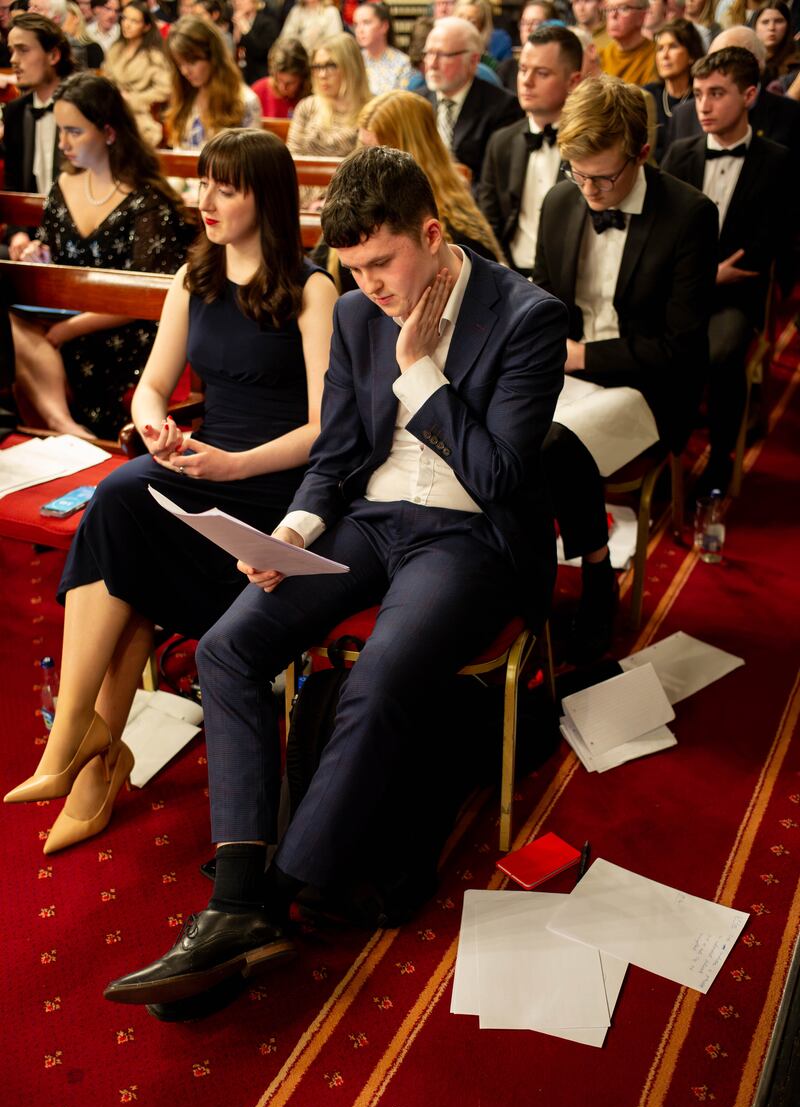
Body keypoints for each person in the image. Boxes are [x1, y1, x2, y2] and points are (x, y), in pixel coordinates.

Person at [101, 144, 568, 1008]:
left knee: (383, 673)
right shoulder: (354, 314)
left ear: (432, 234)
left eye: (384, 264)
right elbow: (342, 449)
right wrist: (292, 528)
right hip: (366, 520)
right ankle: (240, 892)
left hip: (468, 537)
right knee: (230, 645)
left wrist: (421, 371)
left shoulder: (525, 316)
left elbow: (501, 478)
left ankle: (268, 905)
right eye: (355, 270)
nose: (373, 287)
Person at [4, 128, 337, 859]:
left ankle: (84, 747)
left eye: (225, 187)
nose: (204, 200)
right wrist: (154, 426)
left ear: (266, 198)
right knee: (124, 498)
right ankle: (86, 749)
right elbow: (154, 385)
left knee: (123, 511)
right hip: (200, 472)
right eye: (203, 183)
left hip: (272, 497)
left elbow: (325, 428)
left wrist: (235, 465)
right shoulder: (197, 276)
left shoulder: (314, 289)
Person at [532, 73, 717, 662]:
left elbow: (682, 348)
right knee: (501, 426)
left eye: (602, 176)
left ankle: (594, 576)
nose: (587, 188)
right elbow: (545, 298)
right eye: (577, 173)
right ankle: (523, 576)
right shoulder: (563, 199)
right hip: (569, 374)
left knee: (552, 445)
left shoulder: (689, 215)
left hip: (646, 384)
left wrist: (582, 356)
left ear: (641, 153)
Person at [9, 73, 191, 439]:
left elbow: (146, 296)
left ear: (109, 132)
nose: (63, 144)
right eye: (60, 131)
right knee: (9, 323)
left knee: (39, 345)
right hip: (66, 320)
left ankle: (62, 430)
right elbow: (52, 250)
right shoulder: (62, 185)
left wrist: (68, 328)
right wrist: (35, 252)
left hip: (125, 334)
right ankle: (63, 426)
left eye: (74, 132)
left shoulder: (146, 199)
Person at [661, 47, 792, 493]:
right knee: (643, 339)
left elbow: (769, 241)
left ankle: (720, 454)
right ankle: (660, 448)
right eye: (698, 94)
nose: (704, 105)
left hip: (737, 295)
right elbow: (662, 233)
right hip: (680, 288)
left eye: (717, 94)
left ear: (750, 95)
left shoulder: (778, 162)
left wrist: (711, 277)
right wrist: (700, 275)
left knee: (720, 352)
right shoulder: (680, 153)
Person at [479, 24, 583, 275]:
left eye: (542, 73)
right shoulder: (501, 141)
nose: (526, 81)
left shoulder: (587, 143)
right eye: (523, 69)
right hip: (511, 275)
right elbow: (488, 224)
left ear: (573, 81)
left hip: (571, 276)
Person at [358, 89, 505, 261]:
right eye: (362, 149)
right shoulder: (358, 200)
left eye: (378, 153)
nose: (365, 163)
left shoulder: (458, 231)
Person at [2, 13, 74, 265]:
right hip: (31, 234)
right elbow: (13, 184)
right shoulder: (15, 111)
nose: (13, 60)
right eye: (11, 51)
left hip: (77, 238)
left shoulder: (84, 106)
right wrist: (18, 233)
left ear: (53, 55)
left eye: (23, 50)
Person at [666, 24, 800, 154]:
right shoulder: (682, 116)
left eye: (725, 61)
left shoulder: (791, 114)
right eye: (711, 59)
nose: (712, 68)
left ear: (757, 63)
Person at [419, 16, 521, 185]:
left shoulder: (503, 107)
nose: (432, 63)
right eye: (428, 53)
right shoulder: (416, 101)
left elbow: (494, 182)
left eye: (442, 55)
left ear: (473, 60)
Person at [286, 33, 371, 210]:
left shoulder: (372, 111)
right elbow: (290, 164)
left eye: (331, 65)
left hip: (353, 207)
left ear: (351, 66)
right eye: (317, 66)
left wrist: (331, 202)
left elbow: (370, 173)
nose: (322, 74)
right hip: (302, 204)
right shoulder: (307, 107)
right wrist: (311, 203)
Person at [166, 16, 261, 150]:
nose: (184, 71)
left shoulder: (245, 100)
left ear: (213, 57)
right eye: (179, 64)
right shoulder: (185, 92)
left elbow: (250, 160)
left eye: (192, 62)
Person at [103, 1, 172, 145]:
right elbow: (105, 78)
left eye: (134, 21)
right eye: (125, 18)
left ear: (146, 26)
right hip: (111, 107)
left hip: (139, 112)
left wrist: (135, 99)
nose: (127, 24)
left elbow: (165, 89)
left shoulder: (153, 55)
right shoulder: (115, 49)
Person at [644, 17, 704, 158]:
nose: (664, 55)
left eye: (673, 47)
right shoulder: (647, 95)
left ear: (691, 55)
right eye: (660, 49)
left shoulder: (701, 97)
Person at [353, 2, 412, 95]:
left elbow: (402, 103)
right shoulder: (354, 60)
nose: (360, 30)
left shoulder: (402, 63)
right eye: (356, 24)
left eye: (366, 23)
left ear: (384, 26)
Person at [599, 0, 659, 84]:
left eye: (623, 8)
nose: (613, 15)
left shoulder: (657, 56)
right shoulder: (600, 56)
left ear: (642, 15)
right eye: (609, 9)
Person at [251, 37, 311, 118]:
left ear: (302, 78)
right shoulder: (257, 92)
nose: (282, 87)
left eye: (290, 83)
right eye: (278, 80)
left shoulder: (311, 97)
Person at [231, 0, 278, 84]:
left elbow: (261, 51)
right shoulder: (233, 22)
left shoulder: (268, 23)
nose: (238, 2)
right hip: (239, 74)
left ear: (254, 2)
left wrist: (246, 30)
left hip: (260, 75)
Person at [751, 4, 800, 84]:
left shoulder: (796, 62)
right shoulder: (746, 59)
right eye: (765, 22)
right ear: (755, 27)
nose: (771, 27)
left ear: (788, 26)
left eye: (778, 21)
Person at [277, 0, 342, 57]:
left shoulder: (331, 12)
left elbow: (334, 45)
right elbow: (284, 39)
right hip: (299, 60)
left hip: (322, 60)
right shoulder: (296, 11)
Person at [63, 0, 104, 67]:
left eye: (63, 17)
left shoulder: (93, 49)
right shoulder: (59, 48)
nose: (59, 23)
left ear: (76, 18)